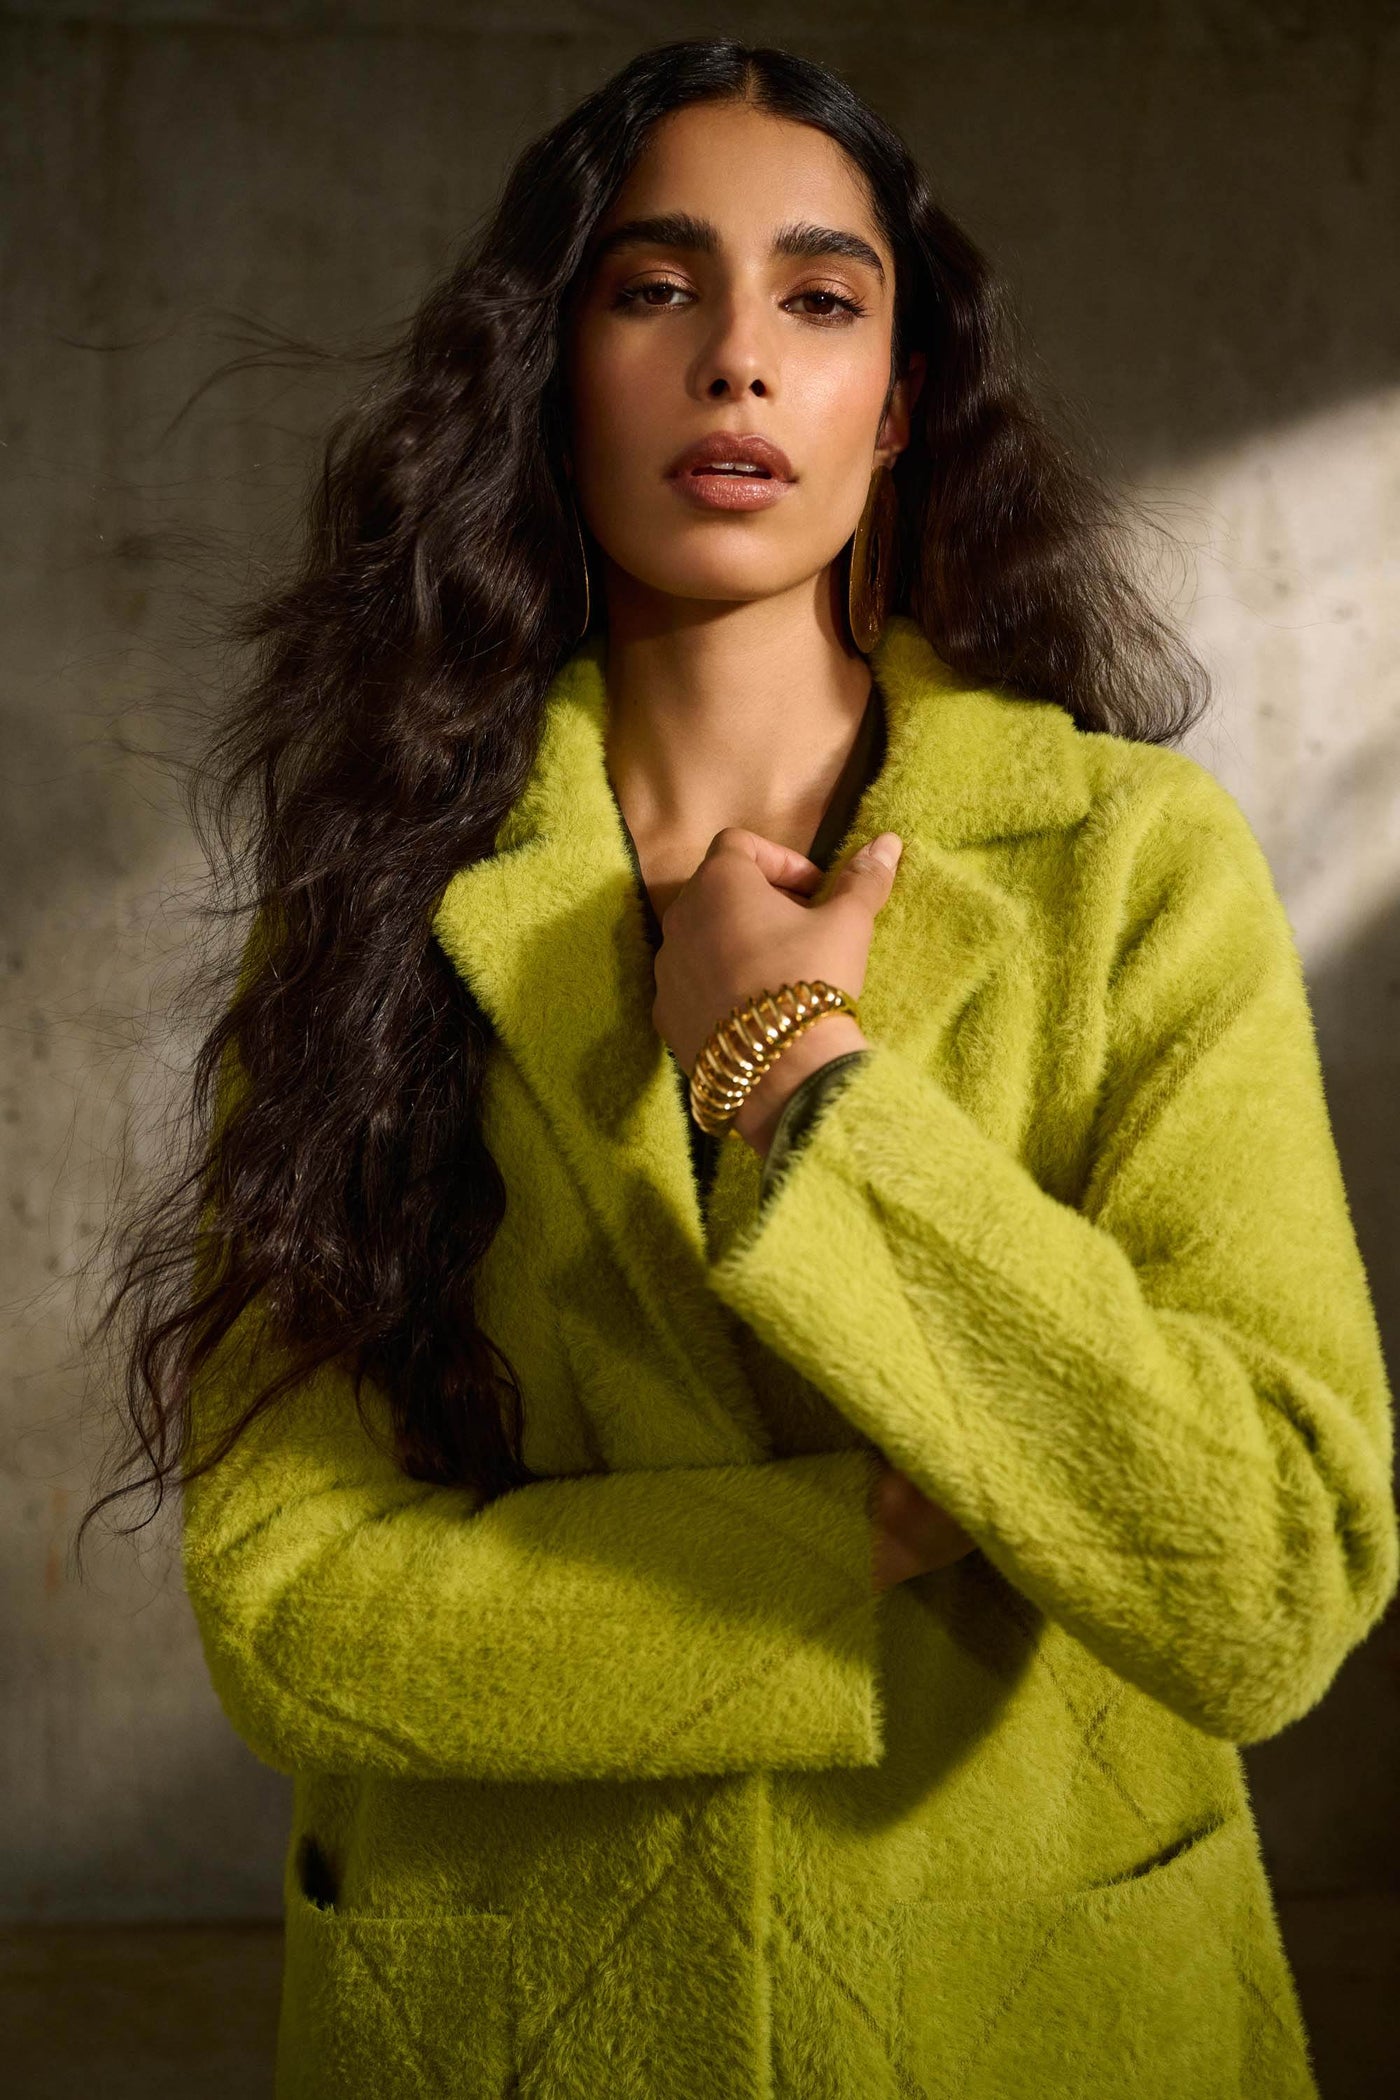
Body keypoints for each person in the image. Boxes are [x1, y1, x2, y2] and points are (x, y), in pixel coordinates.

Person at [87, 37, 1397, 2100]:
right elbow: (289, 1606)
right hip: (516, 2022)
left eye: (819, 297)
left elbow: (1265, 1586)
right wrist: (845, 1541)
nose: (737, 360)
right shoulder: (378, 890)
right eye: (652, 287)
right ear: (548, 375)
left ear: (903, 402)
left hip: (1031, 2008)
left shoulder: (1130, 865)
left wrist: (799, 1080)